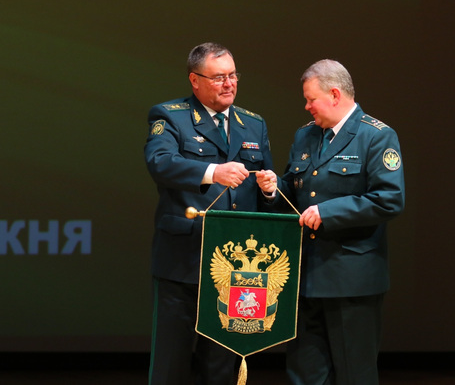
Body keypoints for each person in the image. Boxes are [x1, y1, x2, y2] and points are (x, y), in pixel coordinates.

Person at [256, 59, 405, 385]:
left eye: (311, 99)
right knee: (304, 373)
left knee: (355, 374)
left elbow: (389, 199)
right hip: (306, 277)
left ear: (335, 94)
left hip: (351, 279)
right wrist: (273, 189)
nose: (307, 106)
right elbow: (295, 192)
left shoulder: (376, 136)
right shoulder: (305, 135)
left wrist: (328, 212)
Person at [144, 42, 274, 385]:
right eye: (218, 77)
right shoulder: (170, 116)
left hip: (236, 264)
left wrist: (271, 189)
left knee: (220, 366)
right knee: (171, 363)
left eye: (233, 75)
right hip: (184, 259)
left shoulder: (253, 124)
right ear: (195, 80)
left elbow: (266, 191)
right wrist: (213, 172)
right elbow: (160, 163)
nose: (229, 83)